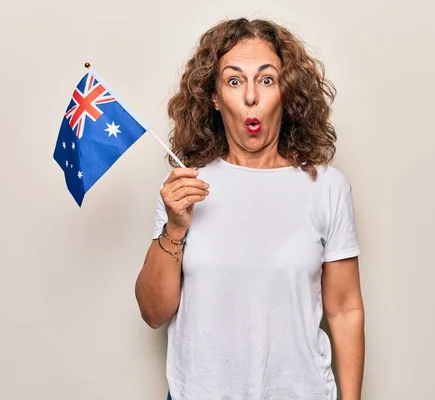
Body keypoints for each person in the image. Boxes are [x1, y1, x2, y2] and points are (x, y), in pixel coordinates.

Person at [135, 18, 365, 400]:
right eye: (234, 80)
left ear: (286, 92)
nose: (251, 97)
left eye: (267, 79)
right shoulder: (186, 187)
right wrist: (174, 228)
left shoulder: (326, 187)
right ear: (213, 96)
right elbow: (153, 313)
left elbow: (343, 310)